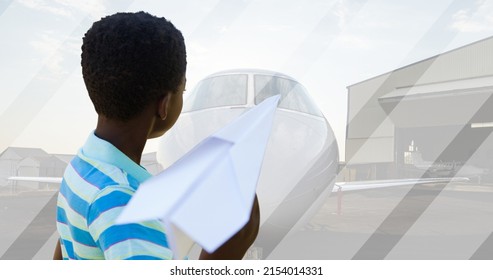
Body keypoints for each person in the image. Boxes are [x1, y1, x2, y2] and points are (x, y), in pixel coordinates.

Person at [54, 11, 259, 260]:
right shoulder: (129, 209)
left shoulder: (82, 166)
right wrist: (227, 251)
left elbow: (67, 246)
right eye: (182, 89)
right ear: (164, 105)